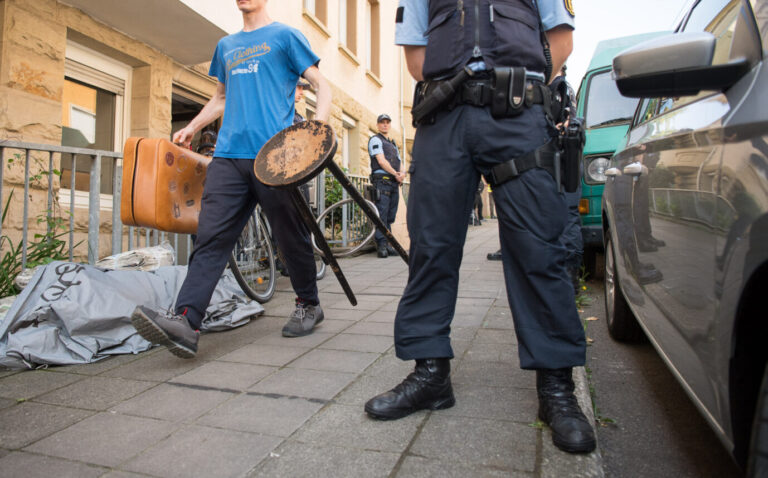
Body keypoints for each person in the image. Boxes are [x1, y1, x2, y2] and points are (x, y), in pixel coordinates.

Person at [365, 0, 596, 454]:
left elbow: (560, 41)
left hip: (517, 112)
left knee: (539, 246)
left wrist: (515, 84)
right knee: (431, 245)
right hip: (443, 113)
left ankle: (556, 390)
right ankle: (431, 375)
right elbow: (417, 59)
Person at [130, 0, 333, 357]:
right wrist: (193, 126)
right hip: (228, 158)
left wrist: (314, 131)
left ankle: (308, 303)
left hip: (276, 157)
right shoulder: (226, 46)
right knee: (210, 238)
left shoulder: (286, 36)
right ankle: (186, 322)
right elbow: (221, 98)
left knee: (290, 236)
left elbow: (321, 84)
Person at [368, 114, 404, 258]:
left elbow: (400, 162)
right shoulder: (375, 140)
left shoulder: (393, 144)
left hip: (393, 183)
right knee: (381, 215)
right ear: (377, 125)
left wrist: (402, 174)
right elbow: (381, 161)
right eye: (382, 123)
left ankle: (388, 244)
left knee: (390, 216)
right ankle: (381, 245)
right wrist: (396, 174)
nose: (385, 125)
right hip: (382, 182)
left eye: (387, 122)